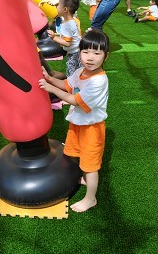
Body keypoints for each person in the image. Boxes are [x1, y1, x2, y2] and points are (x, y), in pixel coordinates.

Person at [38, 29, 110, 213]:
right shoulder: (80, 71)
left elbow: (73, 100)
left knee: (90, 165)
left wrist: (50, 89)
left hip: (92, 128)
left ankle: (91, 198)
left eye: (97, 53)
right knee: (77, 154)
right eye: (86, 52)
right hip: (77, 123)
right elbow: (66, 85)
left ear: (106, 56)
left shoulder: (98, 81)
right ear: (80, 52)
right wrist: (49, 78)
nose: (90, 57)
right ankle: (84, 178)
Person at [46, 0, 83, 76]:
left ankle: (72, 83)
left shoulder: (69, 25)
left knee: (71, 73)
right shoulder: (68, 18)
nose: (57, 7)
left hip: (75, 54)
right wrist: (55, 2)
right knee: (77, 71)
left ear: (65, 9)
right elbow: (62, 13)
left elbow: (67, 43)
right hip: (75, 51)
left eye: (59, 5)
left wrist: (53, 37)